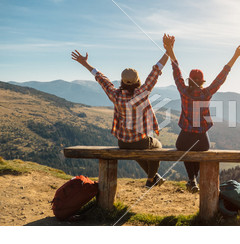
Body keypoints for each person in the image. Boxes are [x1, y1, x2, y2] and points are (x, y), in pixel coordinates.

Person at [71, 35, 171, 188]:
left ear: (122, 81)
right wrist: (168, 51)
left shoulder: (115, 95)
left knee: (136, 148)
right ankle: (151, 180)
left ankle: (155, 177)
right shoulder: (143, 92)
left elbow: (101, 78)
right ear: (138, 80)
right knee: (158, 147)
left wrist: (85, 63)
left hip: (123, 142)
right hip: (140, 141)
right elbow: (156, 70)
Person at [163, 34, 240, 192]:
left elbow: (176, 70)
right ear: (202, 82)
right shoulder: (207, 93)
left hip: (184, 138)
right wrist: (236, 55)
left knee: (184, 149)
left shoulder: (183, 91)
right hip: (202, 140)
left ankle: (191, 179)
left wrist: (170, 49)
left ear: (189, 81)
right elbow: (222, 76)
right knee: (201, 152)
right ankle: (193, 179)